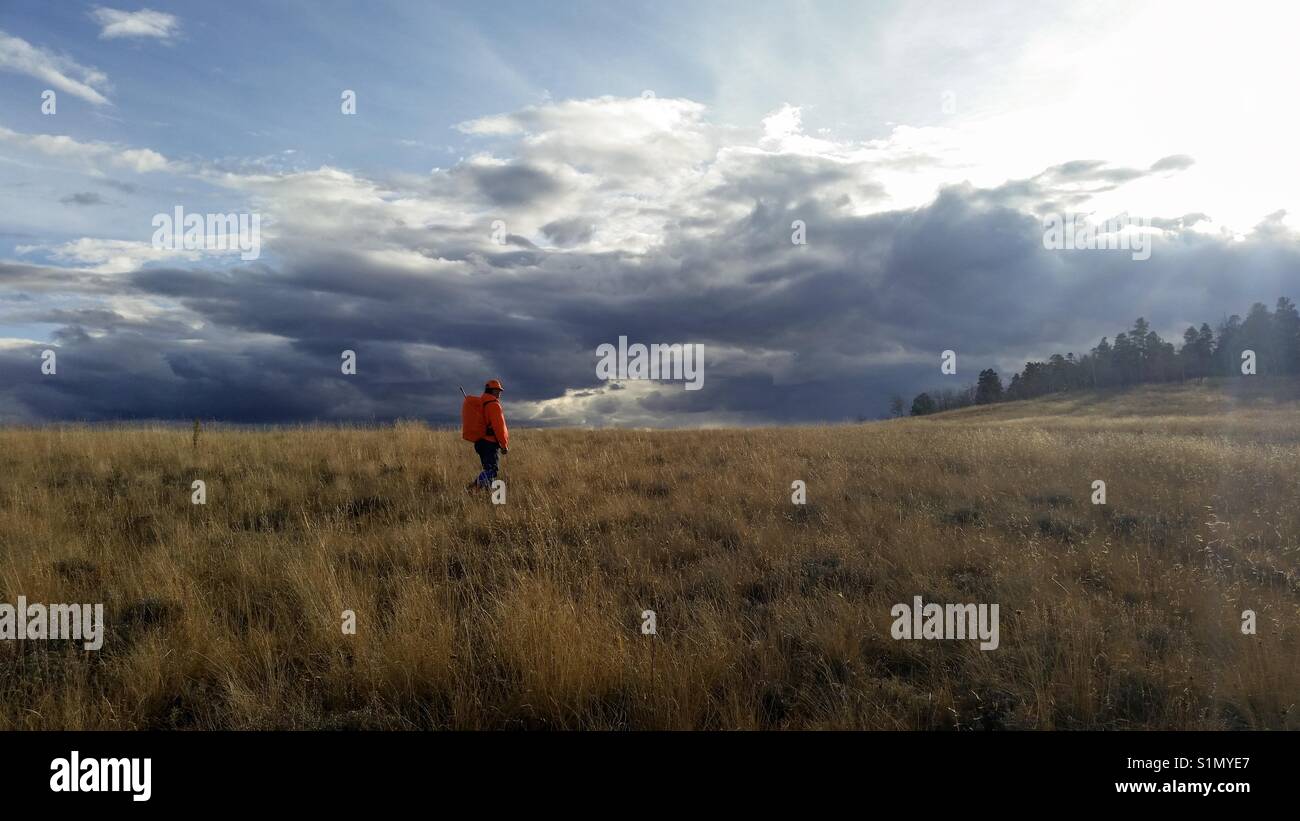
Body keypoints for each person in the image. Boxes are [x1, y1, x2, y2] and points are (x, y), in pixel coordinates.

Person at [471, 379, 509, 490]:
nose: (499, 393)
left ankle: (487, 494)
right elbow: (499, 427)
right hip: (490, 443)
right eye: (497, 390)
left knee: (488, 468)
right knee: (491, 470)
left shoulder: (479, 403)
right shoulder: (494, 405)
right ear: (491, 391)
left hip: (479, 442)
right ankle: (473, 488)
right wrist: (504, 445)